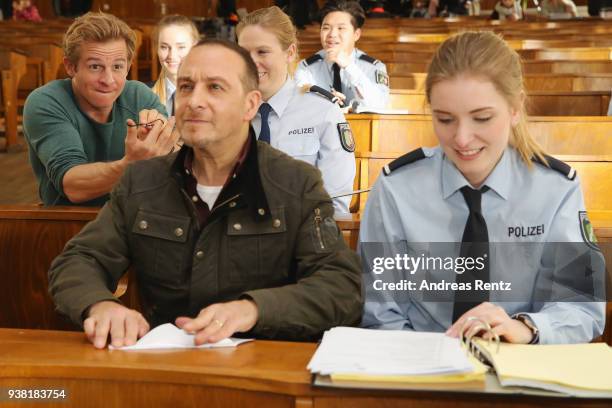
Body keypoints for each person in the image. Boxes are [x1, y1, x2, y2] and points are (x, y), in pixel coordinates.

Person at [48, 39, 363, 349]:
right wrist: (100, 305)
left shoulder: (296, 184)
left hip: (264, 368)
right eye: (185, 87)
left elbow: (341, 287)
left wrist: (254, 309)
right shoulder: (142, 182)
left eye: (215, 87)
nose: (194, 101)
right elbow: (79, 260)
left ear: (250, 104)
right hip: (167, 368)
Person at [359, 31, 605, 344]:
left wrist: (526, 328)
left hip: (522, 362)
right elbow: (381, 312)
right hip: (420, 363)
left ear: (515, 109)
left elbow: (582, 306)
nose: (462, 138)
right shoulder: (395, 189)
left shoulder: (556, 190)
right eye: (445, 119)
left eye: (482, 118)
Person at [23, 12, 177, 207]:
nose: (108, 80)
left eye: (118, 67)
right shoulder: (45, 101)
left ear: (128, 67)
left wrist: (165, 142)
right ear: (71, 67)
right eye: (95, 66)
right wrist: (131, 164)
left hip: (135, 221)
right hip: (68, 223)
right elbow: (73, 186)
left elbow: (178, 159)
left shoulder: (139, 95)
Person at [237, 6, 356, 214]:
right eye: (244, 54)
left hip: (301, 240)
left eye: (262, 52)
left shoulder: (323, 112)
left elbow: (335, 205)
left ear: (289, 53)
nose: (252, 63)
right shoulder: (228, 114)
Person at [295, 0, 389, 110]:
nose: (332, 34)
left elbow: (380, 106)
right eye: (326, 28)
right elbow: (297, 105)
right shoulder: (306, 68)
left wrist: (350, 67)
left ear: (356, 34)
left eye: (341, 28)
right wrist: (323, 103)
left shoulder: (374, 67)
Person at [150, 15, 199, 116]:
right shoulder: (144, 95)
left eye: (181, 47)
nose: (172, 56)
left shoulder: (209, 96)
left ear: (195, 48)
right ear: (156, 48)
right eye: (164, 47)